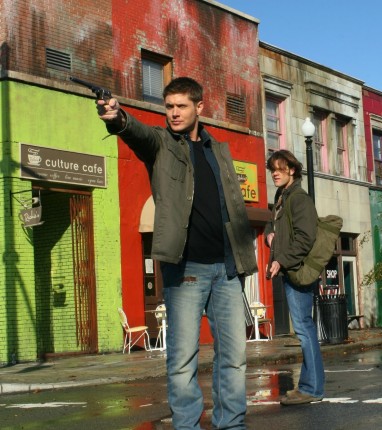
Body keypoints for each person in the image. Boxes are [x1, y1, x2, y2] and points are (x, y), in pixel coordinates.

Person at [97, 77, 257, 429]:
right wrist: (117, 116)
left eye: (181, 106)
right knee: (183, 359)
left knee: (234, 357)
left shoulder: (218, 151)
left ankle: (232, 424)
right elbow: (136, 132)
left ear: (199, 107)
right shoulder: (162, 144)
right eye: (169, 106)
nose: (173, 113)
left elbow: (232, 208)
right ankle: (186, 425)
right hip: (186, 269)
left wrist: (244, 257)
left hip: (227, 269)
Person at [264, 150, 325, 405]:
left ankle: (313, 389)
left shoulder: (299, 199)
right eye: (272, 170)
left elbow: (305, 238)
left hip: (298, 270)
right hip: (290, 269)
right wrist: (269, 234)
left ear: (292, 170)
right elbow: (272, 225)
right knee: (303, 329)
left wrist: (281, 260)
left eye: (280, 169)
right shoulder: (281, 197)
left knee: (304, 329)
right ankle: (307, 386)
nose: (275, 174)